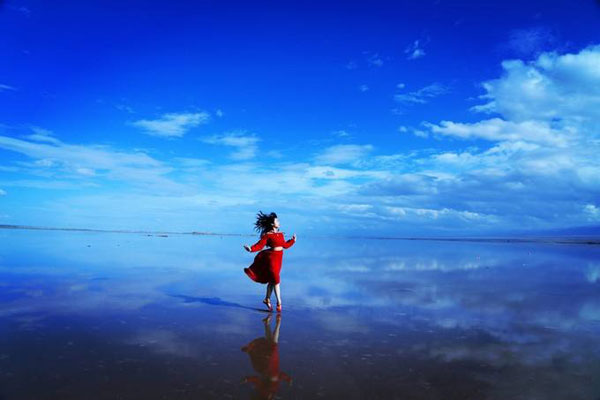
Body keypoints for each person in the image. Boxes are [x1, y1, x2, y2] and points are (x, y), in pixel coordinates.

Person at [243, 211, 296, 312]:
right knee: (276, 280)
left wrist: (293, 240)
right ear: (272, 224)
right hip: (271, 259)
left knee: (272, 281)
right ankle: (279, 302)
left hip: (279, 259)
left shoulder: (280, 234)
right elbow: (260, 245)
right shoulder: (267, 235)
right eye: (277, 220)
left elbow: (285, 245)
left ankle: (267, 299)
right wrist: (250, 249)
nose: (279, 222)